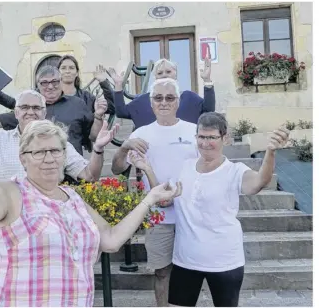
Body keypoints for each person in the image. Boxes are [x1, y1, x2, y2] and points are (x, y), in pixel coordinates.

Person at [0, 87, 182, 307]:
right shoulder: (12, 195)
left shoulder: (73, 199)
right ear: (23, 157)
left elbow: (112, 239)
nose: (49, 158)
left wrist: (149, 199)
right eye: (38, 152)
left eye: (55, 151)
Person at [136, 112, 289, 307]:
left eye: (212, 137)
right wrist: (147, 168)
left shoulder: (235, 171)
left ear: (224, 138)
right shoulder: (185, 167)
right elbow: (164, 201)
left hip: (224, 262)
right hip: (186, 261)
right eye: (201, 137)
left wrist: (271, 152)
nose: (205, 143)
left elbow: (258, 183)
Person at [111, 78, 199, 307]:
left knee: (191, 270)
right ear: (151, 103)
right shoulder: (142, 133)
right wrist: (124, 147)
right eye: (158, 98)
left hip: (191, 214)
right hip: (159, 217)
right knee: (161, 271)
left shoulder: (194, 131)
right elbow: (117, 168)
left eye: (170, 98)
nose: (164, 102)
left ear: (178, 102)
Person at [0, 66, 108, 155]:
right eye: (44, 83)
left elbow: (93, 136)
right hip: (38, 175)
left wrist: (99, 116)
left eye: (54, 81)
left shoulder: (78, 104)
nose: (50, 86)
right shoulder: (30, 110)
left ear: (61, 82)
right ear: (38, 85)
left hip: (73, 173)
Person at [109, 56, 216, 129]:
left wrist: (207, 80)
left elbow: (208, 109)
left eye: (168, 71)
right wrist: (118, 86)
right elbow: (121, 112)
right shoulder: (143, 100)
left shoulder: (189, 97)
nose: (164, 75)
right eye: (160, 73)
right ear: (155, 77)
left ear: (176, 74)